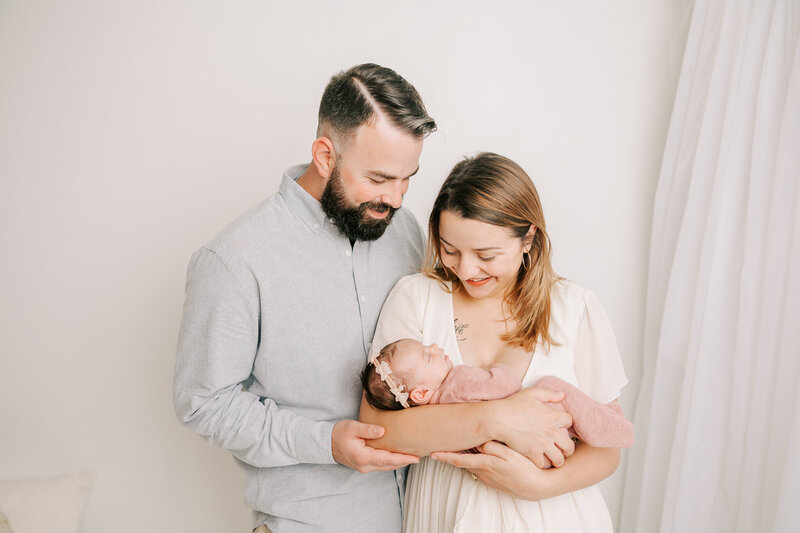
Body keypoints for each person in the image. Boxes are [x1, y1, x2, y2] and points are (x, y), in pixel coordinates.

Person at [173, 65, 573, 533]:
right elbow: (204, 404)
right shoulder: (234, 260)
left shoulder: (401, 231)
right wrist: (325, 442)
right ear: (325, 154)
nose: (399, 198)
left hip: (424, 517)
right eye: (381, 178)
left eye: (408, 178)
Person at [360, 152, 628, 532]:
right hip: (446, 515)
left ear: (528, 238)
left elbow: (608, 447)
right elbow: (378, 429)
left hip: (556, 517)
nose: (467, 270)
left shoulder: (574, 308)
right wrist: (497, 419)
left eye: (486, 255)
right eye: (449, 249)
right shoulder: (417, 298)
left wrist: (540, 485)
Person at [362, 338, 633, 449]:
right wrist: (497, 368)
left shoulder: (435, 418)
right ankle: (611, 425)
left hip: (513, 450)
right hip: (537, 437)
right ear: (420, 394)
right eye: (427, 356)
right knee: (553, 388)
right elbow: (505, 386)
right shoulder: (459, 381)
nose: (434, 346)